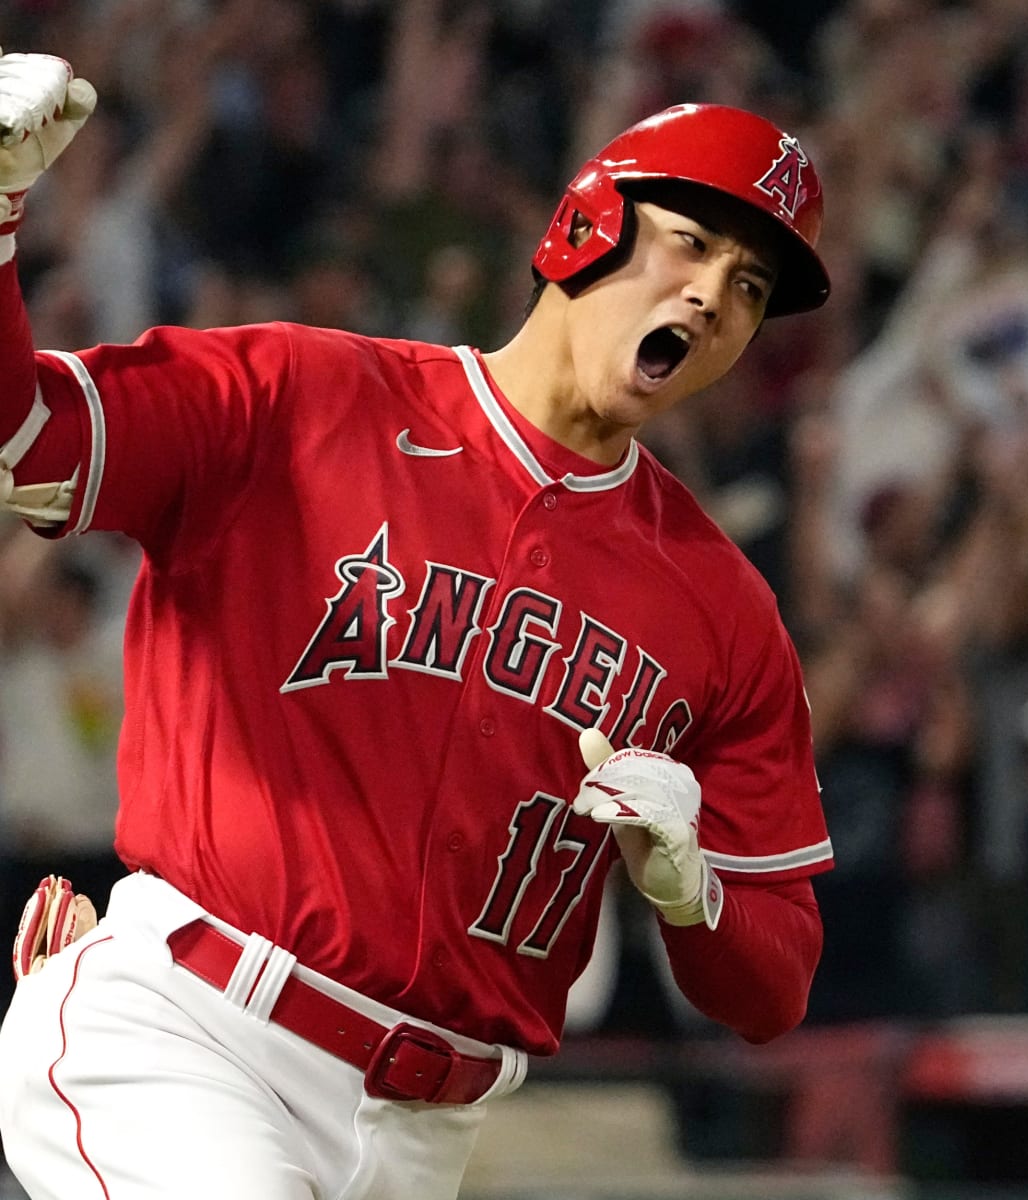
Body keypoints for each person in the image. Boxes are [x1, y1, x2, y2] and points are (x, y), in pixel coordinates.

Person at [0, 49, 834, 1200]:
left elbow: (774, 985)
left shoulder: (723, 610)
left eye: (749, 286)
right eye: (690, 243)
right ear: (586, 225)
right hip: (188, 1040)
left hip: (426, 1142)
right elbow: (25, 442)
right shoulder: (304, 398)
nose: (711, 295)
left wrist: (696, 893)